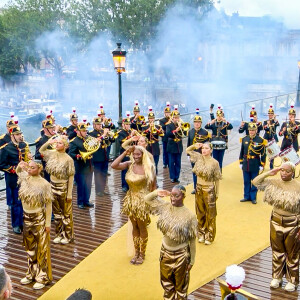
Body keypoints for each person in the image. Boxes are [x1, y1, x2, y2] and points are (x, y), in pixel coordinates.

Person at [252, 162, 300, 292]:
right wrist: (270, 172)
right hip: (276, 220)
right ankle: (277, 277)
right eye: (282, 170)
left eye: (287, 171)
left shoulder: (297, 186)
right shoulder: (274, 182)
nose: (284, 173)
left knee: (292, 253)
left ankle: (292, 280)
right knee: (277, 251)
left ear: (293, 173)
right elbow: (255, 182)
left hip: (293, 223)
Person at [145, 185, 197, 300]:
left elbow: (192, 240)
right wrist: (157, 192)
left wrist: (192, 261)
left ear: (183, 196)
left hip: (181, 255)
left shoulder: (190, 216)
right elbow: (146, 199)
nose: (173, 198)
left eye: (176, 196)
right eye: (172, 195)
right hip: (165, 253)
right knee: (167, 286)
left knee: (181, 288)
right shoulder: (165, 207)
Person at [111, 145, 156, 265]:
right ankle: (136, 252)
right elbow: (113, 165)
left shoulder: (149, 167)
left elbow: (153, 186)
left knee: (142, 227)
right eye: (134, 154)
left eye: (138, 154)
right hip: (130, 200)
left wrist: (151, 203)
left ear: (143, 155)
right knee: (134, 226)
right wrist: (125, 152)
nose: (135, 156)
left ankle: (143, 253)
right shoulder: (129, 164)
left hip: (142, 201)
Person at [16, 160, 53, 290]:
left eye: (32, 168)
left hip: (39, 219)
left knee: (41, 248)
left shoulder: (45, 184)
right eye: (29, 168)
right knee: (30, 248)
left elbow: (48, 205)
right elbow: (18, 172)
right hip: (26, 218)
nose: (30, 170)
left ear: (39, 169)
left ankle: (43, 276)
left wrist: (48, 223)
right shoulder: (26, 179)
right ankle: (31, 273)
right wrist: (20, 167)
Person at [39, 135, 75, 244]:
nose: (57, 144)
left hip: (63, 187)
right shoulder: (52, 154)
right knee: (57, 213)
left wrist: (69, 194)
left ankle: (68, 236)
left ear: (65, 146)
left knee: (66, 213)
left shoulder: (68, 159)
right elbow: (41, 150)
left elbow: (71, 177)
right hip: (52, 186)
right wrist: (49, 142)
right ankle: (59, 234)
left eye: (59, 143)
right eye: (57, 143)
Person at [186, 142, 221, 244]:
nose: (204, 150)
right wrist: (195, 146)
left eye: (206, 148)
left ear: (211, 150)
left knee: (210, 214)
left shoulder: (215, 163)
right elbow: (188, 150)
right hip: (199, 188)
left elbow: (217, 179)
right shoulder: (198, 157)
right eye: (203, 148)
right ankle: (201, 233)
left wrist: (217, 193)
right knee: (200, 212)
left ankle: (209, 235)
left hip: (209, 188)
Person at [0, 126, 30, 234]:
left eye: (20, 134)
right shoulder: (5, 148)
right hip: (13, 178)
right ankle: (16, 224)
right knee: (15, 202)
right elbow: (1, 165)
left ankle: (22, 221)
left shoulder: (24, 145)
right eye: (17, 134)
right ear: (12, 136)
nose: (20, 136)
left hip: (25, 178)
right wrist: (14, 169)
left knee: (24, 200)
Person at [69, 121, 94, 209]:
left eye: (86, 131)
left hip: (89, 165)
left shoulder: (88, 139)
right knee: (81, 185)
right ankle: (80, 202)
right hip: (80, 166)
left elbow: (93, 148)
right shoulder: (74, 141)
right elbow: (71, 153)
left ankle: (86, 200)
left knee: (88, 184)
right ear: (78, 131)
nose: (85, 132)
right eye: (83, 131)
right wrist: (78, 156)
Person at [239, 122, 267, 204]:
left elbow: (263, 154)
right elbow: (242, 151)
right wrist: (241, 162)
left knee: (255, 182)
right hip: (246, 163)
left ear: (256, 130)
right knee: (246, 181)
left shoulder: (260, 140)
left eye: (253, 130)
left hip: (255, 163)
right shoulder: (244, 139)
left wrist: (262, 164)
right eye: (250, 130)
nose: (251, 132)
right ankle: (246, 196)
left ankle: (253, 197)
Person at [89, 117, 115, 197]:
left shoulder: (102, 131)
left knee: (104, 174)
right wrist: (103, 135)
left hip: (105, 156)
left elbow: (111, 141)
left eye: (100, 124)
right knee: (98, 174)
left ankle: (103, 190)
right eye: (98, 124)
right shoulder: (91, 133)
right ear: (94, 125)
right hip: (97, 156)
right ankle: (98, 191)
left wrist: (110, 136)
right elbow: (92, 142)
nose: (100, 126)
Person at [187, 110, 210, 194]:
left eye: (198, 122)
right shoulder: (190, 131)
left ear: (201, 123)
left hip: (201, 155)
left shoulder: (205, 132)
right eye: (195, 122)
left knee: (202, 172)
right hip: (193, 155)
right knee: (195, 172)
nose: (197, 124)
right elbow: (189, 144)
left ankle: (202, 187)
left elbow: (207, 145)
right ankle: (195, 187)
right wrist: (188, 154)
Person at [205, 105, 233, 171]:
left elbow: (231, 127)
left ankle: (219, 173)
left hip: (222, 144)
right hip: (214, 144)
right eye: (218, 116)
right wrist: (211, 122)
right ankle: (215, 173)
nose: (219, 117)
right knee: (214, 160)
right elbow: (206, 126)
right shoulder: (214, 123)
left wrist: (226, 121)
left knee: (220, 160)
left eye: (220, 116)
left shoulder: (224, 124)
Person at [0, 113, 18, 208]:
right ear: (7, 128)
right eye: (10, 127)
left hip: (17, 163)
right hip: (8, 164)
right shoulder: (3, 139)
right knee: (9, 185)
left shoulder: (18, 136)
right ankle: (10, 202)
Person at [166, 106, 187, 183]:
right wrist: (175, 130)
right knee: (171, 163)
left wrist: (182, 128)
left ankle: (177, 177)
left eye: (178, 117)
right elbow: (168, 134)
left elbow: (184, 133)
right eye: (175, 118)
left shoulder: (181, 124)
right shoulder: (169, 125)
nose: (177, 119)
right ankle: (172, 177)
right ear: (172, 118)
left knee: (178, 162)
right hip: (171, 146)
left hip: (179, 146)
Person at [142, 106, 164, 174]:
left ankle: (155, 180)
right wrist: (148, 129)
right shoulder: (145, 127)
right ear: (148, 119)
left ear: (154, 119)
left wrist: (156, 129)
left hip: (155, 147)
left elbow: (162, 134)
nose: (151, 120)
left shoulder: (158, 127)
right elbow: (143, 135)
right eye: (150, 118)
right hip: (148, 147)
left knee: (155, 164)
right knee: (148, 164)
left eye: (152, 118)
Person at [117, 117, 132, 192]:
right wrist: (131, 136)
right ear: (123, 125)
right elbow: (122, 142)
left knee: (131, 169)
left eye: (129, 124)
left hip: (131, 153)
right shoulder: (120, 132)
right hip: (124, 153)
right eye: (127, 124)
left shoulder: (131, 131)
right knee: (124, 169)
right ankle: (124, 185)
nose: (128, 125)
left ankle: (130, 184)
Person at [263, 104, 280, 169]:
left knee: (272, 152)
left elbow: (278, 124)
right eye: (269, 113)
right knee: (264, 152)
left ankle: (271, 167)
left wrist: (274, 118)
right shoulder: (265, 121)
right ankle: (263, 165)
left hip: (273, 137)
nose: (270, 115)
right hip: (266, 137)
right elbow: (265, 128)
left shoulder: (275, 121)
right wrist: (268, 123)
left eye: (271, 114)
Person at [159, 102, 171, 168]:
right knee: (165, 151)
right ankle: (165, 163)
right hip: (165, 137)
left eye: (169, 113)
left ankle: (169, 162)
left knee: (170, 151)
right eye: (166, 113)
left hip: (171, 137)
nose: (168, 114)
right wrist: (168, 123)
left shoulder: (172, 119)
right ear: (164, 113)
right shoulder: (162, 120)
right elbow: (162, 127)